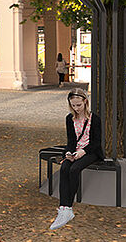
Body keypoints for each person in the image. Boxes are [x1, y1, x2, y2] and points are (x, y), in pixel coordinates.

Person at [50, 88, 103, 230]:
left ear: (85, 102)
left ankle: (68, 207)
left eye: (79, 105)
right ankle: (63, 208)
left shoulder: (94, 119)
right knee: (64, 168)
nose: (76, 108)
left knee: (74, 169)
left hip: (91, 151)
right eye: (73, 105)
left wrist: (82, 152)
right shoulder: (70, 118)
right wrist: (68, 153)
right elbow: (71, 141)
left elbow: (96, 143)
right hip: (75, 150)